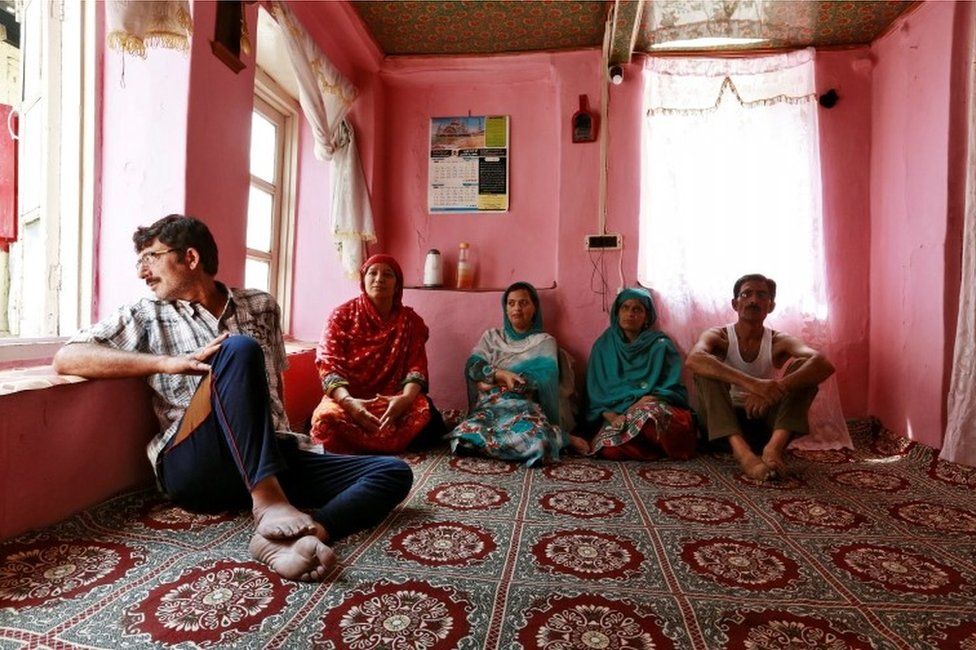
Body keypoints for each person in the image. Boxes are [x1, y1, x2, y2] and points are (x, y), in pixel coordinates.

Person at [53, 215, 413, 583]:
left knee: (393, 472)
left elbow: (271, 384)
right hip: (198, 465)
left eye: (151, 257)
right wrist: (169, 363)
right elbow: (67, 357)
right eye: (140, 261)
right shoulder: (145, 314)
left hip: (266, 452)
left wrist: (282, 446)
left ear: (190, 257)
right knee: (237, 348)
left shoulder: (260, 306)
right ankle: (268, 501)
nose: (143, 271)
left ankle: (302, 538)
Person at [685, 273, 835, 481]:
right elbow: (693, 360)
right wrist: (754, 385)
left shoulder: (778, 341)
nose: (754, 300)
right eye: (746, 294)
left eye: (761, 295)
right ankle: (745, 456)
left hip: (763, 428)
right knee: (705, 369)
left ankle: (773, 449)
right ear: (735, 304)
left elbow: (823, 364)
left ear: (771, 306)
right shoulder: (718, 336)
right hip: (721, 431)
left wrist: (777, 388)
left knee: (805, 371)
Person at [310, 254, 445, 454]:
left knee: (426, 415)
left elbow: (416, 367)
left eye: (387, 274)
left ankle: (363, 442)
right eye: (372, 273)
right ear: (363, 280)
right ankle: (381, 440)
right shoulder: (341, 316)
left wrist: (405, 400)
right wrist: (350, 404)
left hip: (393, 399)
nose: (379, 279)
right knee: (326, 423)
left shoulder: (410, 321)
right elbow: (329, 366)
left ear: (397, 285)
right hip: (349, 398)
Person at [447, 281, 568, 465]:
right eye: (511, 303)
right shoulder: (492, 337)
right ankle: (513, 448)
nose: (517, 308)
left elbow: (539, 380)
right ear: (505, 308)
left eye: (523, 303)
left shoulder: (544, 342)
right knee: (464, 434)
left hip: (524, 406)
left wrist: (489, 381)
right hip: (491, 406)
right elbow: (473, 367)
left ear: (535, 308)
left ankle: (551, 437)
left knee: (538, 440)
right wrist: (501, 375)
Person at [569, 288, 696, 460]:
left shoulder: (660, 345)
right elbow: (595, 395)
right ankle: (651, 449)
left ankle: (648, 443)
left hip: (651, 407)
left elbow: (672, 386)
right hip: (618, 414)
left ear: (646, 317)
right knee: (609, 450)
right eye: (625, 308)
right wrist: (612, 416)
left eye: (637, 309)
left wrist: (647, 401)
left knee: (652, 420)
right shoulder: (603, 346)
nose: (630, 313)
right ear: (617, 312)